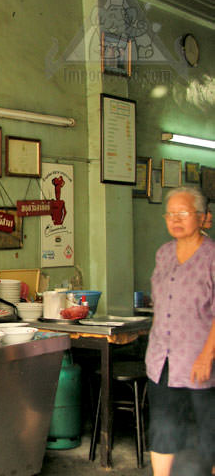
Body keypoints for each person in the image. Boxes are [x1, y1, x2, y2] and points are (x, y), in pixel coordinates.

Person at [146, 186, 215, 476]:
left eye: (183, 213)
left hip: (202, 362)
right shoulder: (163, 254)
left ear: (202, 218)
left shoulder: (212, 256)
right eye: (170, 214)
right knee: (163, 428)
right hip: (162, 361)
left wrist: (206, 356)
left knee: (210, 433)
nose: (175, 219)